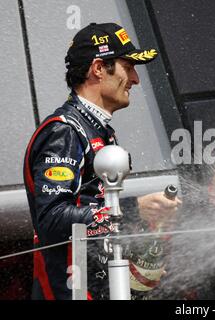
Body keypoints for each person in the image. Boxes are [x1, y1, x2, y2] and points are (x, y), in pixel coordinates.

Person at [23, 22, 181, 300]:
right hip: (69, 291)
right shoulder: (65, 131)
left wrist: (133, 251)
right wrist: (133, 209)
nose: (135, 79)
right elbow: (52, 219)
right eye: (128, 67)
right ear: (98, 68)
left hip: (96, 287)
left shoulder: (97, 128)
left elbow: (92, 214)